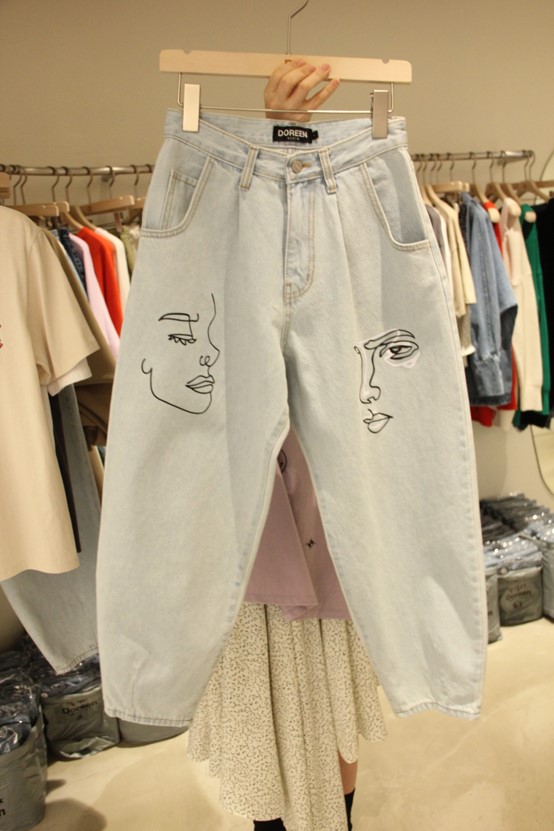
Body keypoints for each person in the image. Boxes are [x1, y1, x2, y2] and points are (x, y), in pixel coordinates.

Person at [185, 61, 387, 831]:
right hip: (251, 524)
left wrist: (291, 150)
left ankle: (335, 818)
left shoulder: (351, 221)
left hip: (323, 506)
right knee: (264, 716)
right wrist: (274, 146)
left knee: (328, 698)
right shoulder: (214, 226)